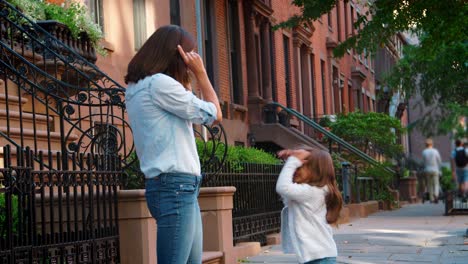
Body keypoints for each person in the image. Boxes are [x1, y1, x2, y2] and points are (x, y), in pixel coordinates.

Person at [124, 25, 222, 263]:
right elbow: (214, 113)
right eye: (189, 54)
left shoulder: (138, 86)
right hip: (176, 187)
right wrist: (201, 74)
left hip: (173, 186)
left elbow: (184, 104)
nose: (192, 59)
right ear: (177, 55)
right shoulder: (159, 85)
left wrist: (184, 78)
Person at [276, 148, 343, 264]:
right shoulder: (313, 191)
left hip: (320, 258)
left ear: (316, 170)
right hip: (317, 257)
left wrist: (293, 161)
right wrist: (292, 159)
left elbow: (283, 188)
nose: (294, 170)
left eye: (299, 166)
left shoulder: (312, 192)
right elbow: (286, 190)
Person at [421, 138, 442, 203]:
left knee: (429, 184)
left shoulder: (424, 152)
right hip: (435, 169)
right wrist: (439, 167)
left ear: (425, 145)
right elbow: (439, 161)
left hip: (427, 170)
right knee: (436, 183)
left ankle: (431, 198)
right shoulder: (435, 151)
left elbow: (423, 162)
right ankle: (436, 195)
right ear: (432, 144)